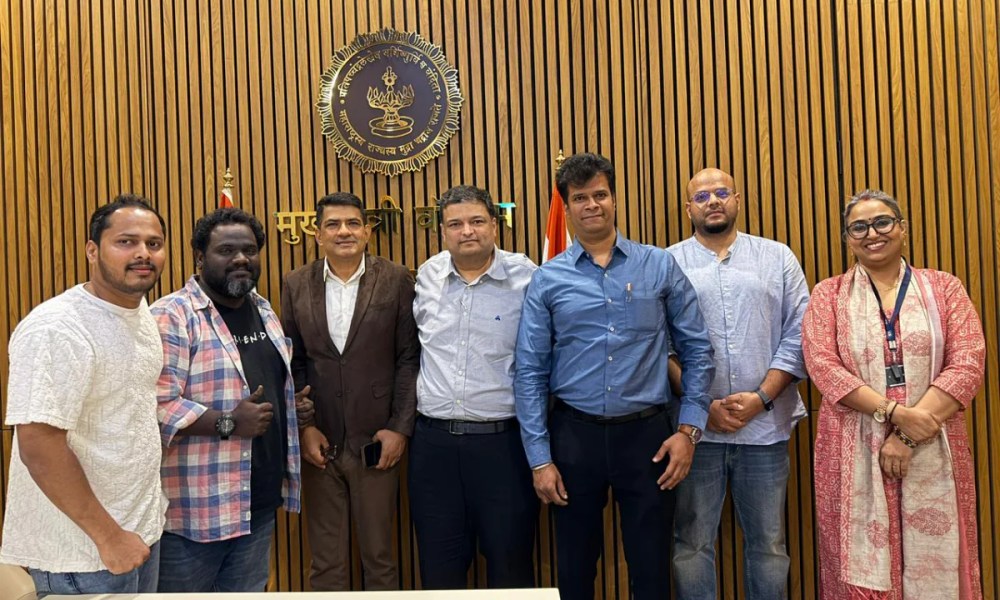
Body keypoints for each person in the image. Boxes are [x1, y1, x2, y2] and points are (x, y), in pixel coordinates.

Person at [515, 152, 715, 600]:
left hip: (648, 439)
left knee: (651, 569)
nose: (592, 205)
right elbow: (529, 371)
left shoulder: (657, 265)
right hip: (573, 438)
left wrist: (689, 430)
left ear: (615, 199)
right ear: (567, 207)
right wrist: (540, 459)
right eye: (580, 198)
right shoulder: (547, 279)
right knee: (574, 568)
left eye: (600, 194)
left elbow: (698, 350)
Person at [802, 189, 986, 599]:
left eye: (882, 222)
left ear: (902, 228)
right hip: (852, 449)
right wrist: (895, 414)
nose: (872, 234)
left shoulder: (945, 288)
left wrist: (905, 435)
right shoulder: (828, 295)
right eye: (859, 227)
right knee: (859, 566)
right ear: (847, 238)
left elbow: (968, 362)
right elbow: (823, 367)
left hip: (933, 440)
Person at [0, 195, 168, 596]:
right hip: (84, 554)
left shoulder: (139, 313)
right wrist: (109, 537)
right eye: (126, 241)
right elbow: (39, 446)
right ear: (93, 250)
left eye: (154, 243)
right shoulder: (57, 328)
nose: (143, 253)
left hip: (139, 534)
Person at [667, 168, 810, 599]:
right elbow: (659, 342)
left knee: (769, 546)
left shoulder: (777, 257)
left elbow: (800, 332)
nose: (713, 201)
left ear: (737, 200)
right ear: (688, 208)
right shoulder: (668, 262)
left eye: (721, 192)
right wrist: (702, 405)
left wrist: (762, 397)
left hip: (765, 430)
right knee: (692, 545)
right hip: (696, 433)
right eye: (702, 196)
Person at [152, 208, 306, 593]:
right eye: (226, 250)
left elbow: (265, 385)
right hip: (196, 514)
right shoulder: (172, 316)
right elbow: (156, 408)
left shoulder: (263, 308)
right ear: (200, 257)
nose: (240, 259)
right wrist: (230, 423)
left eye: (249, 250)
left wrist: (291, 407)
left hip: (257, 503)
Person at [281, 192, 419, 591]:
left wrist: (399, 428)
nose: (344, 231)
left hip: (376, 441)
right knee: (326, 563)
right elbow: (293, 361)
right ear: (317, 234)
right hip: (320, 444)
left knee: (379, 558)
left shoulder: (395, 279)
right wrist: (305, 426)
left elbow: (409, 359)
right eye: (333, 224)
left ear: (367, 231)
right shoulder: (295, 283)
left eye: (353, 223)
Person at [409, 185, 538, 588]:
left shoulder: (527, 277)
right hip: (434, 448)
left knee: (510, 566)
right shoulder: (427, 276)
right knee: (439, 569)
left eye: (477, 221)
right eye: (456, 224)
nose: (467, 231)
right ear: (442, 231)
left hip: (503, 446)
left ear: (495, 226)